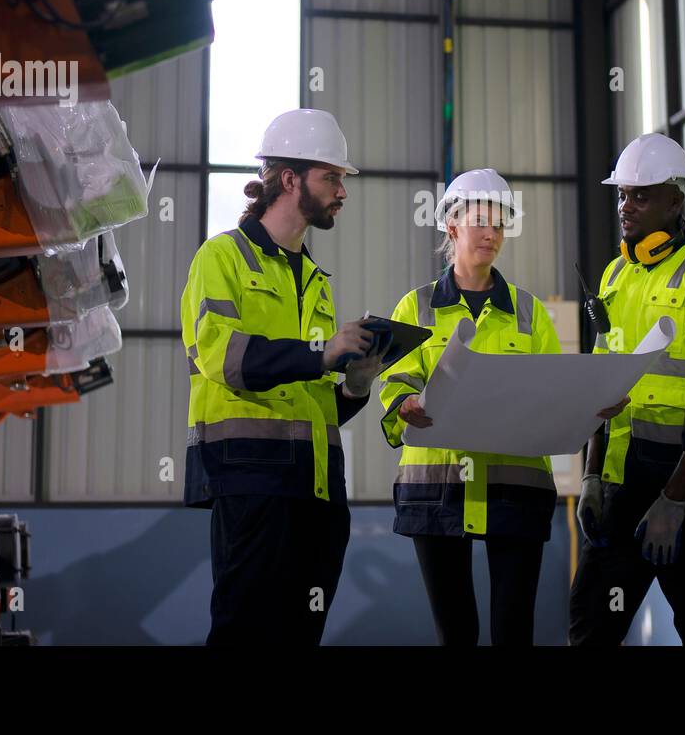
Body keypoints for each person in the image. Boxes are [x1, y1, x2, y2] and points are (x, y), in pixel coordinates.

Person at [379, 168, 622, 645]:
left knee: (514, 632)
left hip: (516, 490)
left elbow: (556, 392)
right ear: (452, 226)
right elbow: (395, 386)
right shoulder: (416, 307)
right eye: (479, 221)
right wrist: (405, 403)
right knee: (456, 634)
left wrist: (592, 403)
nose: (491, 233)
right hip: (438, 491)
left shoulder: (530, 314)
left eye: (499, 222)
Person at [180, 108, 385, 646]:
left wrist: (357, 383)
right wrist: (322, 352)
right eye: (332, 177)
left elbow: (316, 402)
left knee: (300, 638)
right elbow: (224, 358)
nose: (342, 190)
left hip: (316, 489)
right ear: (290, 179)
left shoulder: (316, 280)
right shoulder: (221, 257)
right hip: (251, 481)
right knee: (243, 635)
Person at [568, 133, 685, 645]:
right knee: (590, 625)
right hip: (622, 482)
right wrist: (592, 476)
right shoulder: (615, 275)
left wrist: (675, 499)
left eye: (640, 196)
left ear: (674, 199)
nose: (626, 206)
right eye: (622, 194)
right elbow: (600, 388)